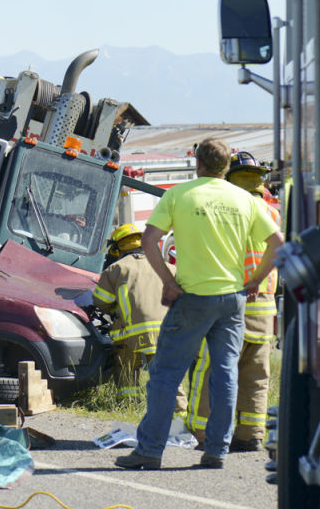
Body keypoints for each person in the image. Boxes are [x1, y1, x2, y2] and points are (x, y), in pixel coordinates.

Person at [115, 138, 283, 470]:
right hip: (232, 300)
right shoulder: (245, 199)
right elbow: (277, 242)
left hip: (192, 298)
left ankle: (150, 450)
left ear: (198, 163)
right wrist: (255, 280)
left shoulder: (180, 195)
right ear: (226, 166)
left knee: (165, 373)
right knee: (225, 373)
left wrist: (168, 281)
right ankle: (217, 451)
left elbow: (149, 240)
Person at [185, 152, 282, 452]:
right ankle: (250, 434)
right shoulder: (272, 213)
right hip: (265, 305)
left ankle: (204, 433)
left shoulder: (226, 209)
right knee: (256, 373)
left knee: (211, 370)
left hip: (229, 302)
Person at [93, 224, 182, 409]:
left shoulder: (116, 269)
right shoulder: (167, 267)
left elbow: (101, 301)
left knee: (125, 363)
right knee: (166, 372)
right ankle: (178, 409)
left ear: (117, 248)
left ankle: (128, 404)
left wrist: (117, 309)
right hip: (165, 332)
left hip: (130, 333)